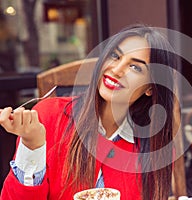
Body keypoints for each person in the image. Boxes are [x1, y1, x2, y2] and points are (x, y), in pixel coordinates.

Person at [0, 24, 178, 200]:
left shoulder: (155, 145)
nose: (116, 70)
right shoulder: (49, 116)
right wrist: (32, 147)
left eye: (135, 67)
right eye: (115, 56)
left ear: (151, 88)